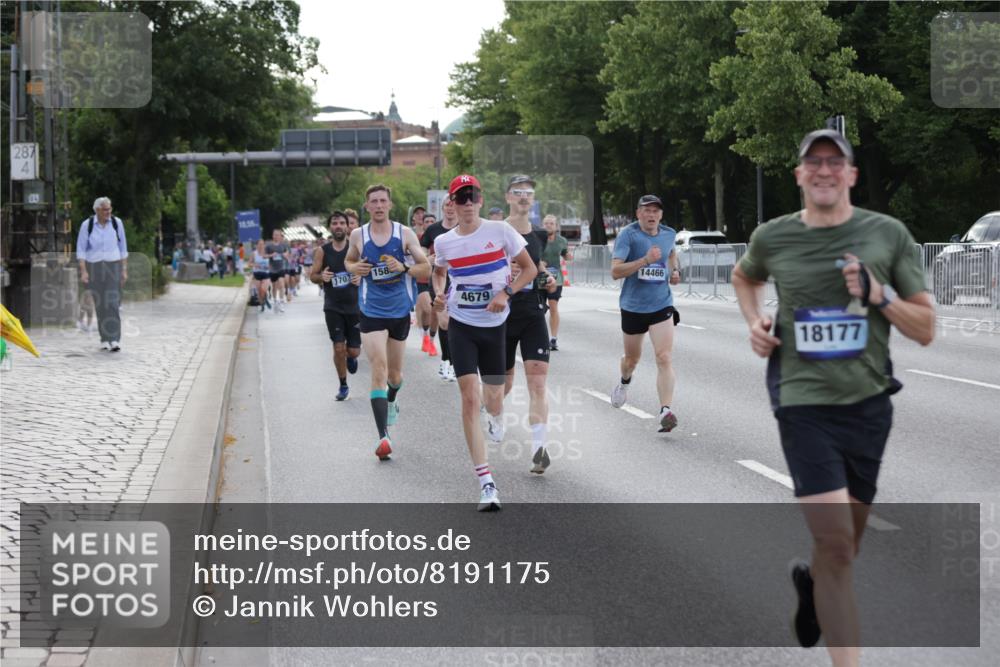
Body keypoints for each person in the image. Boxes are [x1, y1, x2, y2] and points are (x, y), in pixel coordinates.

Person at [732, 129, 934, 667]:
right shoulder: (773, 236)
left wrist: (879, 294)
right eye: (812, 162)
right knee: (840, 544)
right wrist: (756, 321)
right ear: (798, 175)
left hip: (869, 404)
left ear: (851, 175)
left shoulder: (887, 235)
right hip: (801, 402)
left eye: (834, 162)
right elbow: (744, 276)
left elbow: (927, 328)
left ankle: (814, 587)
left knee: (844, 550)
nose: (823, 170)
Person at [432, 174, 537, 511]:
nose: (466, 204)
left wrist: (505, 293)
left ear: (480, 201)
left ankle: (496, 414)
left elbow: (529, 269)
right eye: (460, 199)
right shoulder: (445, 242)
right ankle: (486, 483)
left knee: (494, 397)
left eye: (472, 198)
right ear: (451, 203)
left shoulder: (500, 231)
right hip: (462, 325)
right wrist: (438, 296)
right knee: (468, 398)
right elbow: (438, 272)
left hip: (495, 326)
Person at [345, 185, 431, 460]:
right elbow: (348, 260)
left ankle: (392, 399)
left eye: (383, 201)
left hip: (399, 311)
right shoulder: (358, 234)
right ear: (367, 206)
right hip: (371, 310)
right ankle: (383, 436)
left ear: (390, 205)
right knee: (378, 368)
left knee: (395, 376)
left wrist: (403, 267)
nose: (379, 205)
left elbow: (425, 268)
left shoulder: (403, 234)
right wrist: (353, 268)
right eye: (374, 202)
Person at [609, 194, 682, 432]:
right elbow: (616, 271)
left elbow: (671, 253)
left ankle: (665, 410)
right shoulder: (628, 235)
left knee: (664, 357)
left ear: (661, 214)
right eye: (646, 211)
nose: (651, 215)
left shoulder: (669, 233)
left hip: (661, 304)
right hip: (633, 306)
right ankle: (624, 382)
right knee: (632, 360)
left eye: (655, 211)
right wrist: (644, 260)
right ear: (638, 214)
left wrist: (674, 271)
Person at [501, 175, 557, 474]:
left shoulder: (539, 234)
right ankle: (492, 412)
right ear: (508, 197)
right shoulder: (496, 231)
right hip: (500, 315)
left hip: (533, 313)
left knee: (537, 383)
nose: (524, 196)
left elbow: (537, 266)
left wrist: (547, 280)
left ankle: (539, 449)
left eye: (528, 192)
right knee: (503, 385)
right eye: (518, 192)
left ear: (533, 199)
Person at [312, 212, 362, 401]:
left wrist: (361, 277)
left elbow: (369, 270)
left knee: (354, 351)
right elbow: (313, 275)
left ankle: (352, 357)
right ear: (330, 227)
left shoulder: (355, 248)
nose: (339, 226)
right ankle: (343, 385)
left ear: (348, 226)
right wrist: (321, 278)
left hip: (355, 306)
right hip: (333, 307)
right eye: (335, 223)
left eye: (342, 223)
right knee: (338, 347)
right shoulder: (322, 251)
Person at [76, 196, 128, 352]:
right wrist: (84, 271)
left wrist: (124, 270)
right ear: (97, 210)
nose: (108, 212)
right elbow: (81, 250)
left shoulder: (117, 224)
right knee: (101, 304)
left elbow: (123, 248)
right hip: (95, 267)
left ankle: (115, 339)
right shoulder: (88, 225)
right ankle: (105, 338)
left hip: (113, 266)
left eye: (110, 209)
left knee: (112, 302)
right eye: (105, 209)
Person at [421, 196, 459, 381]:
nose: (450, 208)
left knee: (458, 323)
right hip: (439, 279)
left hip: (462, 280)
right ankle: (447, 361)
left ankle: (457, 359)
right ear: (442, 208)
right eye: (447, 205)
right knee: (444, 321)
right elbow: (419, 255)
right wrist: (430, 258)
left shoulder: (465, 228)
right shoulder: (433, 229)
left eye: (453, 205)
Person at [540, 214, 571, 351]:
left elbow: (565, 254)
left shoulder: (562, 240)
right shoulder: (538, 239)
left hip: (556, 278)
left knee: (553, 307)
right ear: (543, 225)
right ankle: (540, 336)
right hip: (539, 278)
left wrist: (568, 256)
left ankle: (553, 339)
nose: (548, 226)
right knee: (539, 309)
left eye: (551, 223)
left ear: (556, 226)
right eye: (546, 223)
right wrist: (539, 263)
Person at [266, 229, 289, 312]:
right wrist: (271, 255)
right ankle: (275, 301)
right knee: (274, 287)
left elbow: (287, 255)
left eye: (278, 235)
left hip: (280, 268)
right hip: (272, 269)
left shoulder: (283, 245)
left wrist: (285, 255)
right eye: (275, 235)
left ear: (280, 236)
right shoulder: (269, 246)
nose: (276, 236)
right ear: (273, 236)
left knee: (281, 285)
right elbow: (264, 256)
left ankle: (282, 302)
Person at [251, 239, 272, 313]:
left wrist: (269, 267)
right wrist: (255, 265)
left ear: (264, 245)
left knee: (263, 289)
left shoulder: (267, 253)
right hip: (257, 274)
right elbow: (249, 263)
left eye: (262, 244)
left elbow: (271, 264)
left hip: (266, 273)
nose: (261, 246)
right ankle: (262, 303)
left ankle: (265, 298)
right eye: (259, 244)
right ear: (257, 245)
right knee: (259, 292)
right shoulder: (254, 253)